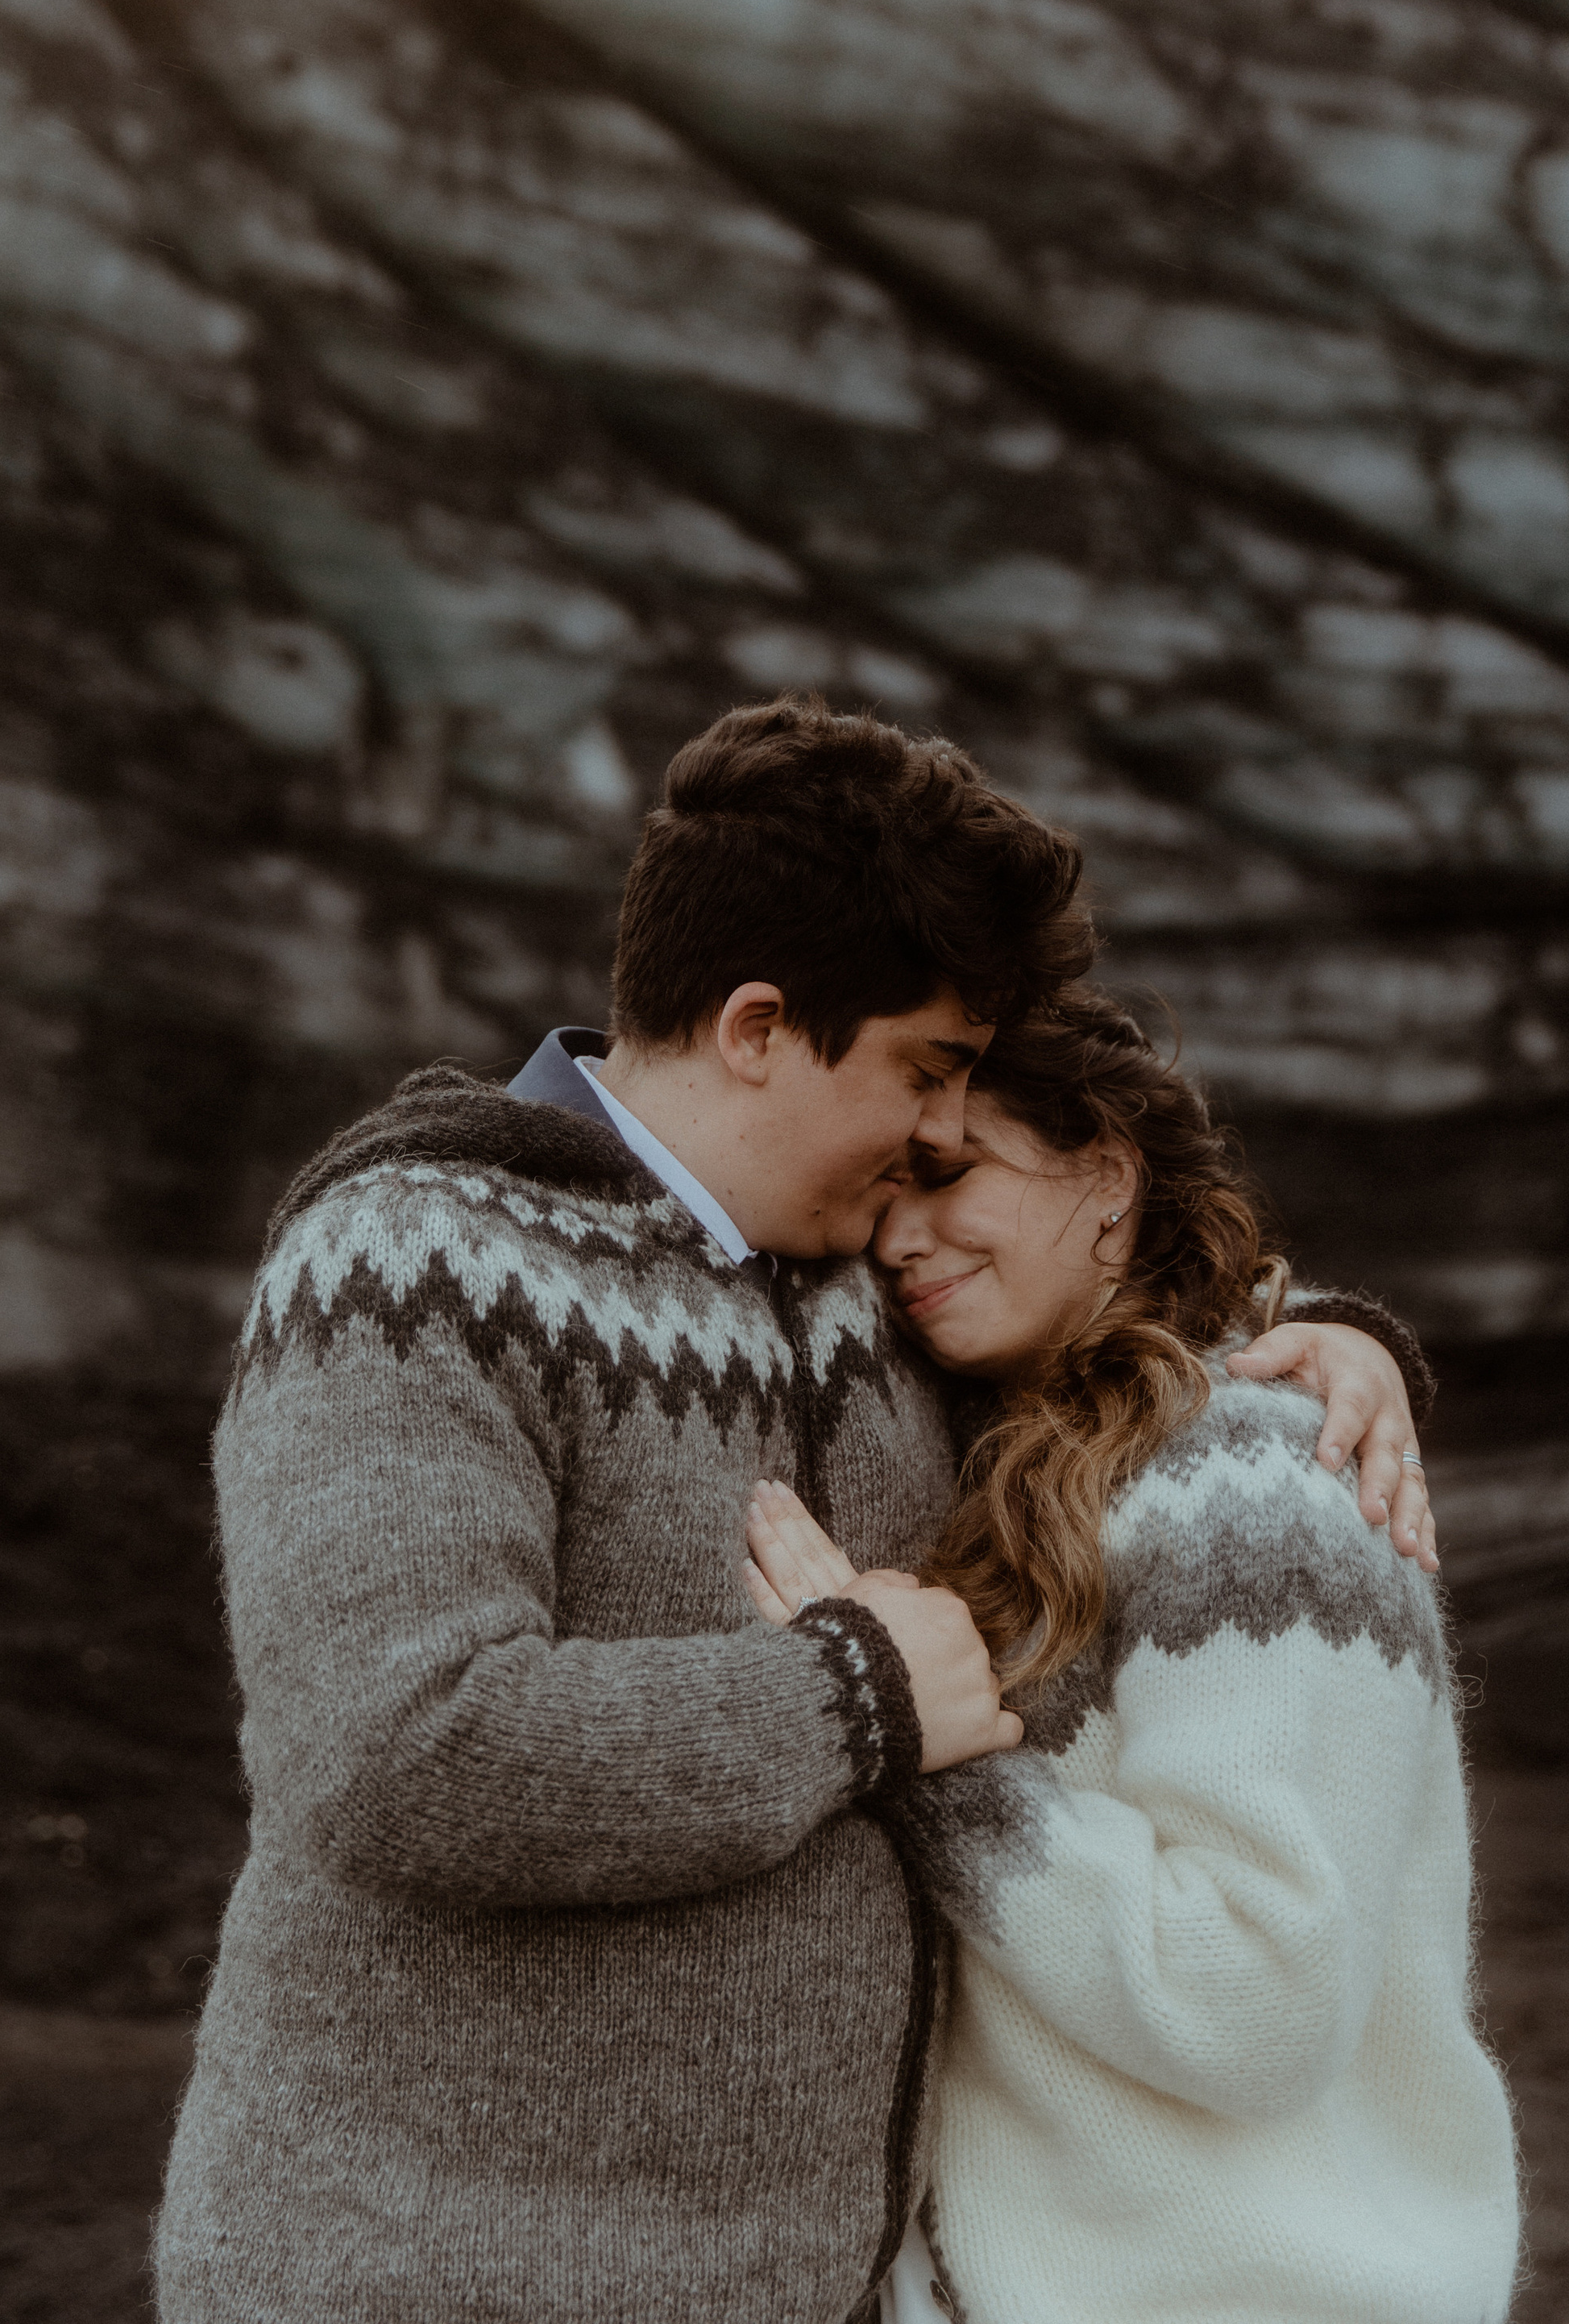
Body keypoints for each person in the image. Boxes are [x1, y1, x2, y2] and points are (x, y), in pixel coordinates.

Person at [156, 697, 1433, 2324]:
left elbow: (1082, 1306)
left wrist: (1315, 1341)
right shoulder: (418, 1265)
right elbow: (399, 1747)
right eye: (925, 1069)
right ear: (758, 1027)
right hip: (436, 2277)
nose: (926, 1143)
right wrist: (851, 1698)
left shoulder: (850, 1276)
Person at [745, 984, 1517, 2324]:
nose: (900, 1240)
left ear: (1106, 1176)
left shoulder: (1252, 1487)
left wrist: (922, 1746)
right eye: (884, 1193)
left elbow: (1255, 1983)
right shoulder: (1053, 1448)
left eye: (949, 1174)